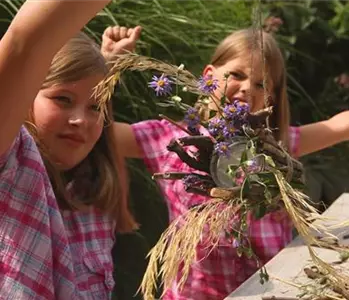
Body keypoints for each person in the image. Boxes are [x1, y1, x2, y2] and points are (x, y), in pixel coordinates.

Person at [102, 26, 349, 299]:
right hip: (192, 294)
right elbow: (102, 132)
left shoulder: (275, 145)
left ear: (272, 98)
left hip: (269, 290)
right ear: (209, 76)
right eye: (237, 75)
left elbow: (335, 125)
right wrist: (108, 66)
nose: (246, 89)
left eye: (261, 84)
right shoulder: (171, 138)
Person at [0, 1, 134, 299]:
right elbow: (26, 42)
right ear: (24, 98)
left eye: (95, 108)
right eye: (62, 99)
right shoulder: (12, 161)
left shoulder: (93, 196)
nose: (79, 120)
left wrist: (106, 65)